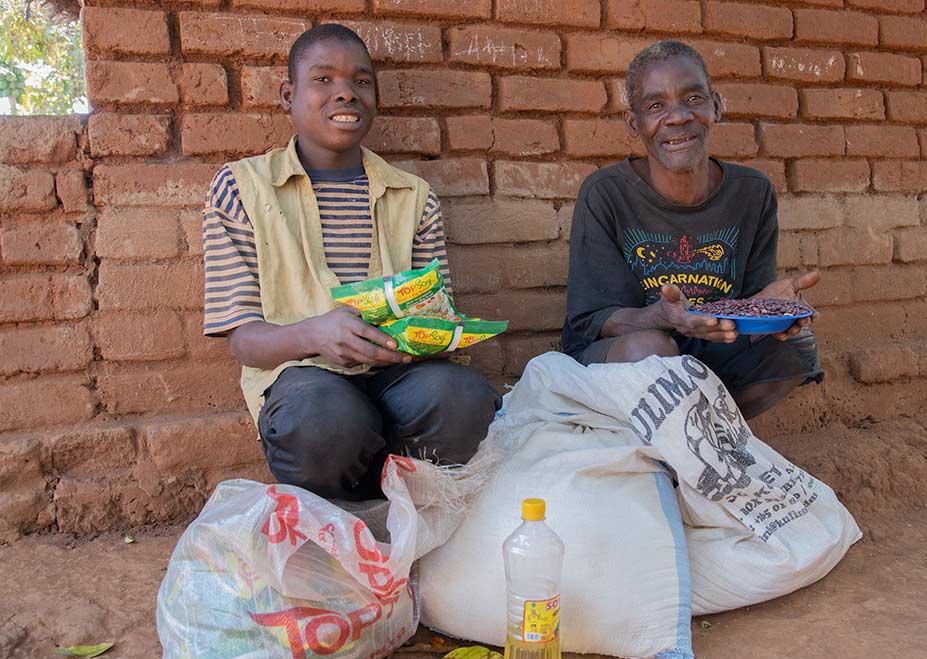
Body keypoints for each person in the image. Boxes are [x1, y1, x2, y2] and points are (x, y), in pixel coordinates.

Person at [201, 24, 501, 501]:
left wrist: (423, 339)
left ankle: (407, 502)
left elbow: (436, 321)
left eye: (361, 82)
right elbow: (242, 341)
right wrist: (312, 335)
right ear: (288, 95)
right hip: (304, 382)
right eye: (323, 80)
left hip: (398, 376)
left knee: (462, 397)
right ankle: (346, 504)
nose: (345, 93)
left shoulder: (413, 196)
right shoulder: (242, 188)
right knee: (324, 421)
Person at [562, 40, 823, 419]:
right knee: (653, 352)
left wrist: (770, 311)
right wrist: (664, 317)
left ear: (716, 106)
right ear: (635, 124)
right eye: (656, 106)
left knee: (795, 349)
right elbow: (595, 320)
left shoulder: (752, 193)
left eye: (693, 98)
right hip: (623, 358)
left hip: (712, 353)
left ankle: (706, 437)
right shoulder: (605, 194)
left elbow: (744, 314)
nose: (678, 117)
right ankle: (669, 451)